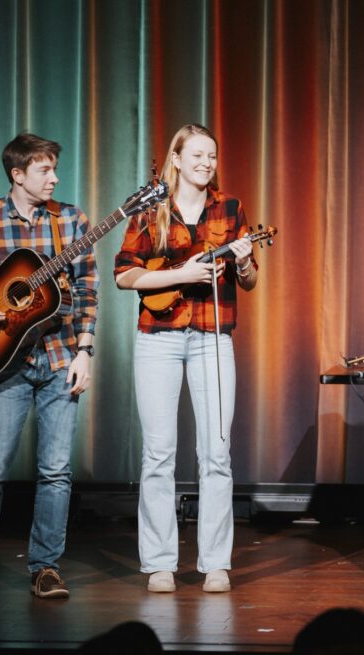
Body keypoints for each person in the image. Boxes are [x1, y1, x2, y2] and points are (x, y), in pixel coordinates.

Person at [114, 124, 257, 594]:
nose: (206, 163)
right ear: (176, 159)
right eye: (197, 155)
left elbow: (249, 281)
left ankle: (215, 563)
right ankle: (159, 563)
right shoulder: (150, 209)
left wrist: (245, 260)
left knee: (216, 452)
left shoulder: (230, 207)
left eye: (211, 156)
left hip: (213, 337)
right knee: (159, 454)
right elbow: (124, 275)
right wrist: (182, 274)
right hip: (159, 337)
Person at [0, 133, 98, 600]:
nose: (55, 178)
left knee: (56, 472)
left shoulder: (71, 221)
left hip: (61, 357)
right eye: (45, 170)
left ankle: (45, 568)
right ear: (18, 174)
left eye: (54, 169)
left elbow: (87, 289)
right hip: (4, 360)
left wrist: (85, 351)